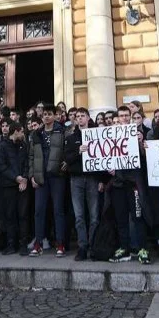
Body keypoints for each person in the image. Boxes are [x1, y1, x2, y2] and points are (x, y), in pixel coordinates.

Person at [29, 104, 68, 257]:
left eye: (49, 114)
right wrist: (32, 175)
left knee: (58, 211)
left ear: (55, 115)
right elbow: (31, 156)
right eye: (44, 114)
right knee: (38, 211)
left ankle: (60, 244)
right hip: (40, 177)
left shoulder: (62, 131)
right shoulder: (36, 134)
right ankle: (38, 244)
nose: (46, 116)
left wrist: (66, 163)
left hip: (57, 176)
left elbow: (67, 150)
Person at [112, 121, 152, 265]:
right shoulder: (109, 139)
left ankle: (142, 249)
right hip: (117, 186)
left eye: (124, 117)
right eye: (118, 119)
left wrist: (142, 145)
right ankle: (124, 249)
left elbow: (145, 161)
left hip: (134, 185)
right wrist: (109, 169)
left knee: (138, 217)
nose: (120, 121)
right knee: (121, 218)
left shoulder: (137, 137)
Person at [65, 107, 100, 261]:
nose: (79, 119)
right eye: (77, 116)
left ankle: (93, 246)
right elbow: (67, 159)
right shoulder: (71, 138)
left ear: (88, 118)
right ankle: (82, 247)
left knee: (94, 216)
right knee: (79, 216)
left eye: (82, 116)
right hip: (76, 179)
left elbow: (102, 158)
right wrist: (78, 151)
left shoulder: (97, 136)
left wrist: (102, 181)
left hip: (92, 179)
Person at [0, 121, 31, 256]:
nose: (23, 134)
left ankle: (23, 244)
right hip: (9, 185)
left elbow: (28, 163)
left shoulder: (24, 145)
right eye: (21, 131)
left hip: (23, 185)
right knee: (10, 215)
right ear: (15, 131)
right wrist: (15, 178)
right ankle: (11, 244)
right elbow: (1, 165)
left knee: (23, 215)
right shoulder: (2, 146)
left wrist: (24, 178)